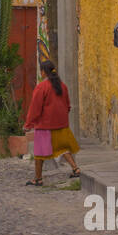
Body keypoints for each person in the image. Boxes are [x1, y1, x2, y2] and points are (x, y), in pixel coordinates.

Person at [23, 58, 81, 187]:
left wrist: (28, 124)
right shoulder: (62, 86)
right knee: (63, 148)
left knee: (39, 154)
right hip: (61, 125)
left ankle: (38, 179)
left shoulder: (41, 87)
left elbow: (35, 108)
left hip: (45, 126)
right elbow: (68, 106)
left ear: (43, 72)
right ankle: (75, 169)